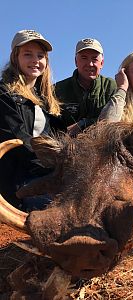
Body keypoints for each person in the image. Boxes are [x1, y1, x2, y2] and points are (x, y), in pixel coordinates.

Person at [0, 29, 63, 211]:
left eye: (40, 55)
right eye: (28, 54)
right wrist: (55, 157)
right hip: (17, 180)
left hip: (45, 173)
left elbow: (59, 136)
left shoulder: (46, 100)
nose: (35, 60)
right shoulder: (3, 92)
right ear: (15, 57)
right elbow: (17, 139)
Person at [55, 38, 117, 137]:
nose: (90, 64)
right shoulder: (57, 89)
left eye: (94, 59)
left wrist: (83, 124)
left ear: (102, 63)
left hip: (103, 145)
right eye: (84, 58)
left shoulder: (111, 86)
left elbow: (114, 121)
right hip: (65, 146)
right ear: (76, 61)